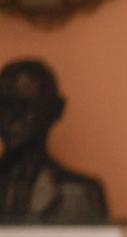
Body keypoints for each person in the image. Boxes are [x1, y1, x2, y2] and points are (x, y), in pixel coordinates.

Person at [0, 58, 107, 223]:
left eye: (25, 105)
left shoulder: (80, 193)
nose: (13, 118)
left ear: (54, 110)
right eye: (5, 105)